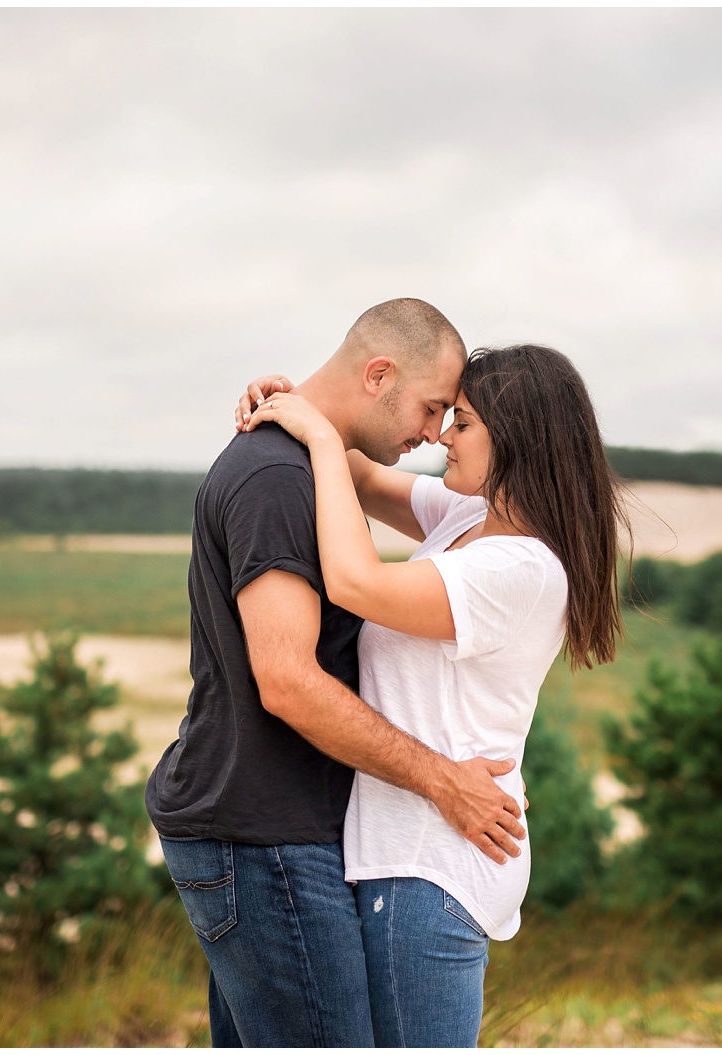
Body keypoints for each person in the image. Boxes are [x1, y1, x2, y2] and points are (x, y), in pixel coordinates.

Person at [145, 299, 530, 1048]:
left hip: (271, 829)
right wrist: (442, 779)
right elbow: (286, 679)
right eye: (429, 408)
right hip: (264, 834)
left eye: (451, 417)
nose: (429, 432)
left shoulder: (305, 467)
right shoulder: (276, 481)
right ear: (379, 374)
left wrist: (295, 406)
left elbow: (352, 461)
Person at [238, 343, 627, 1047]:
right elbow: (353, 475)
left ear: (517, 439)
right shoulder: (465, 517)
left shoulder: (520, 567)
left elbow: (356, 583)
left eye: (465, 422)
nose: (443, 434)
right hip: (418, 849)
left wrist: (318, 433)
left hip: (428, 864)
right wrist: (294, 402)